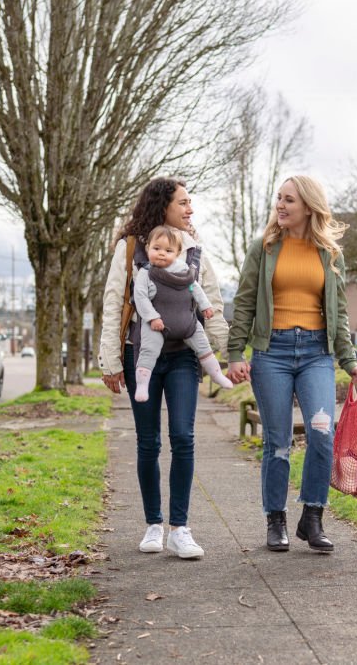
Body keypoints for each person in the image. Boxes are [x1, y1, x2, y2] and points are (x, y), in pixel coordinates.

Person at [227, 175, 357, 553]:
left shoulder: (330, 254)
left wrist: (349, 360)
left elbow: (339, 311)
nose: (281, 205)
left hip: (317, 354)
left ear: (308, 206)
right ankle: (276, 520)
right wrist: (236, 352)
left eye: (289, 200)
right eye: (279, 198)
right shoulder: (265, 247)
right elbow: (244, 303)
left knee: (322, 433)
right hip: (272, 352)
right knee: (278, 442)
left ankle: (313, 516)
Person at [99, 177, 228, 559]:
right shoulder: (129, 249)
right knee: (148, 442)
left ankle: (180, 528)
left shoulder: (194, 249)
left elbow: (212, 303)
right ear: (163, 206)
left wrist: (228, 351)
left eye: (191, 203)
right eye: (183, 203)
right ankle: (153, 524)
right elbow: (112, 304)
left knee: (184, 438)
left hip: (184, 355)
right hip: (140, 356)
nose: (190, 209)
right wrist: (109, 361)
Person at [132, 225, 233, 402]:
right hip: (157, 326)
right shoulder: (145, 273)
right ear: (148, 248)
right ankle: (142, 385)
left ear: (177, 253)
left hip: (187, 325)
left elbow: (195, 288)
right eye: (156, 249)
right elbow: (140, 298)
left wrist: (205, 306)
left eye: (168, 250)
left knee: (204, 347)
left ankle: (217, 375)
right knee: (148, 350)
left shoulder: (185, 271)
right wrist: (152, 317)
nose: (162, 253)